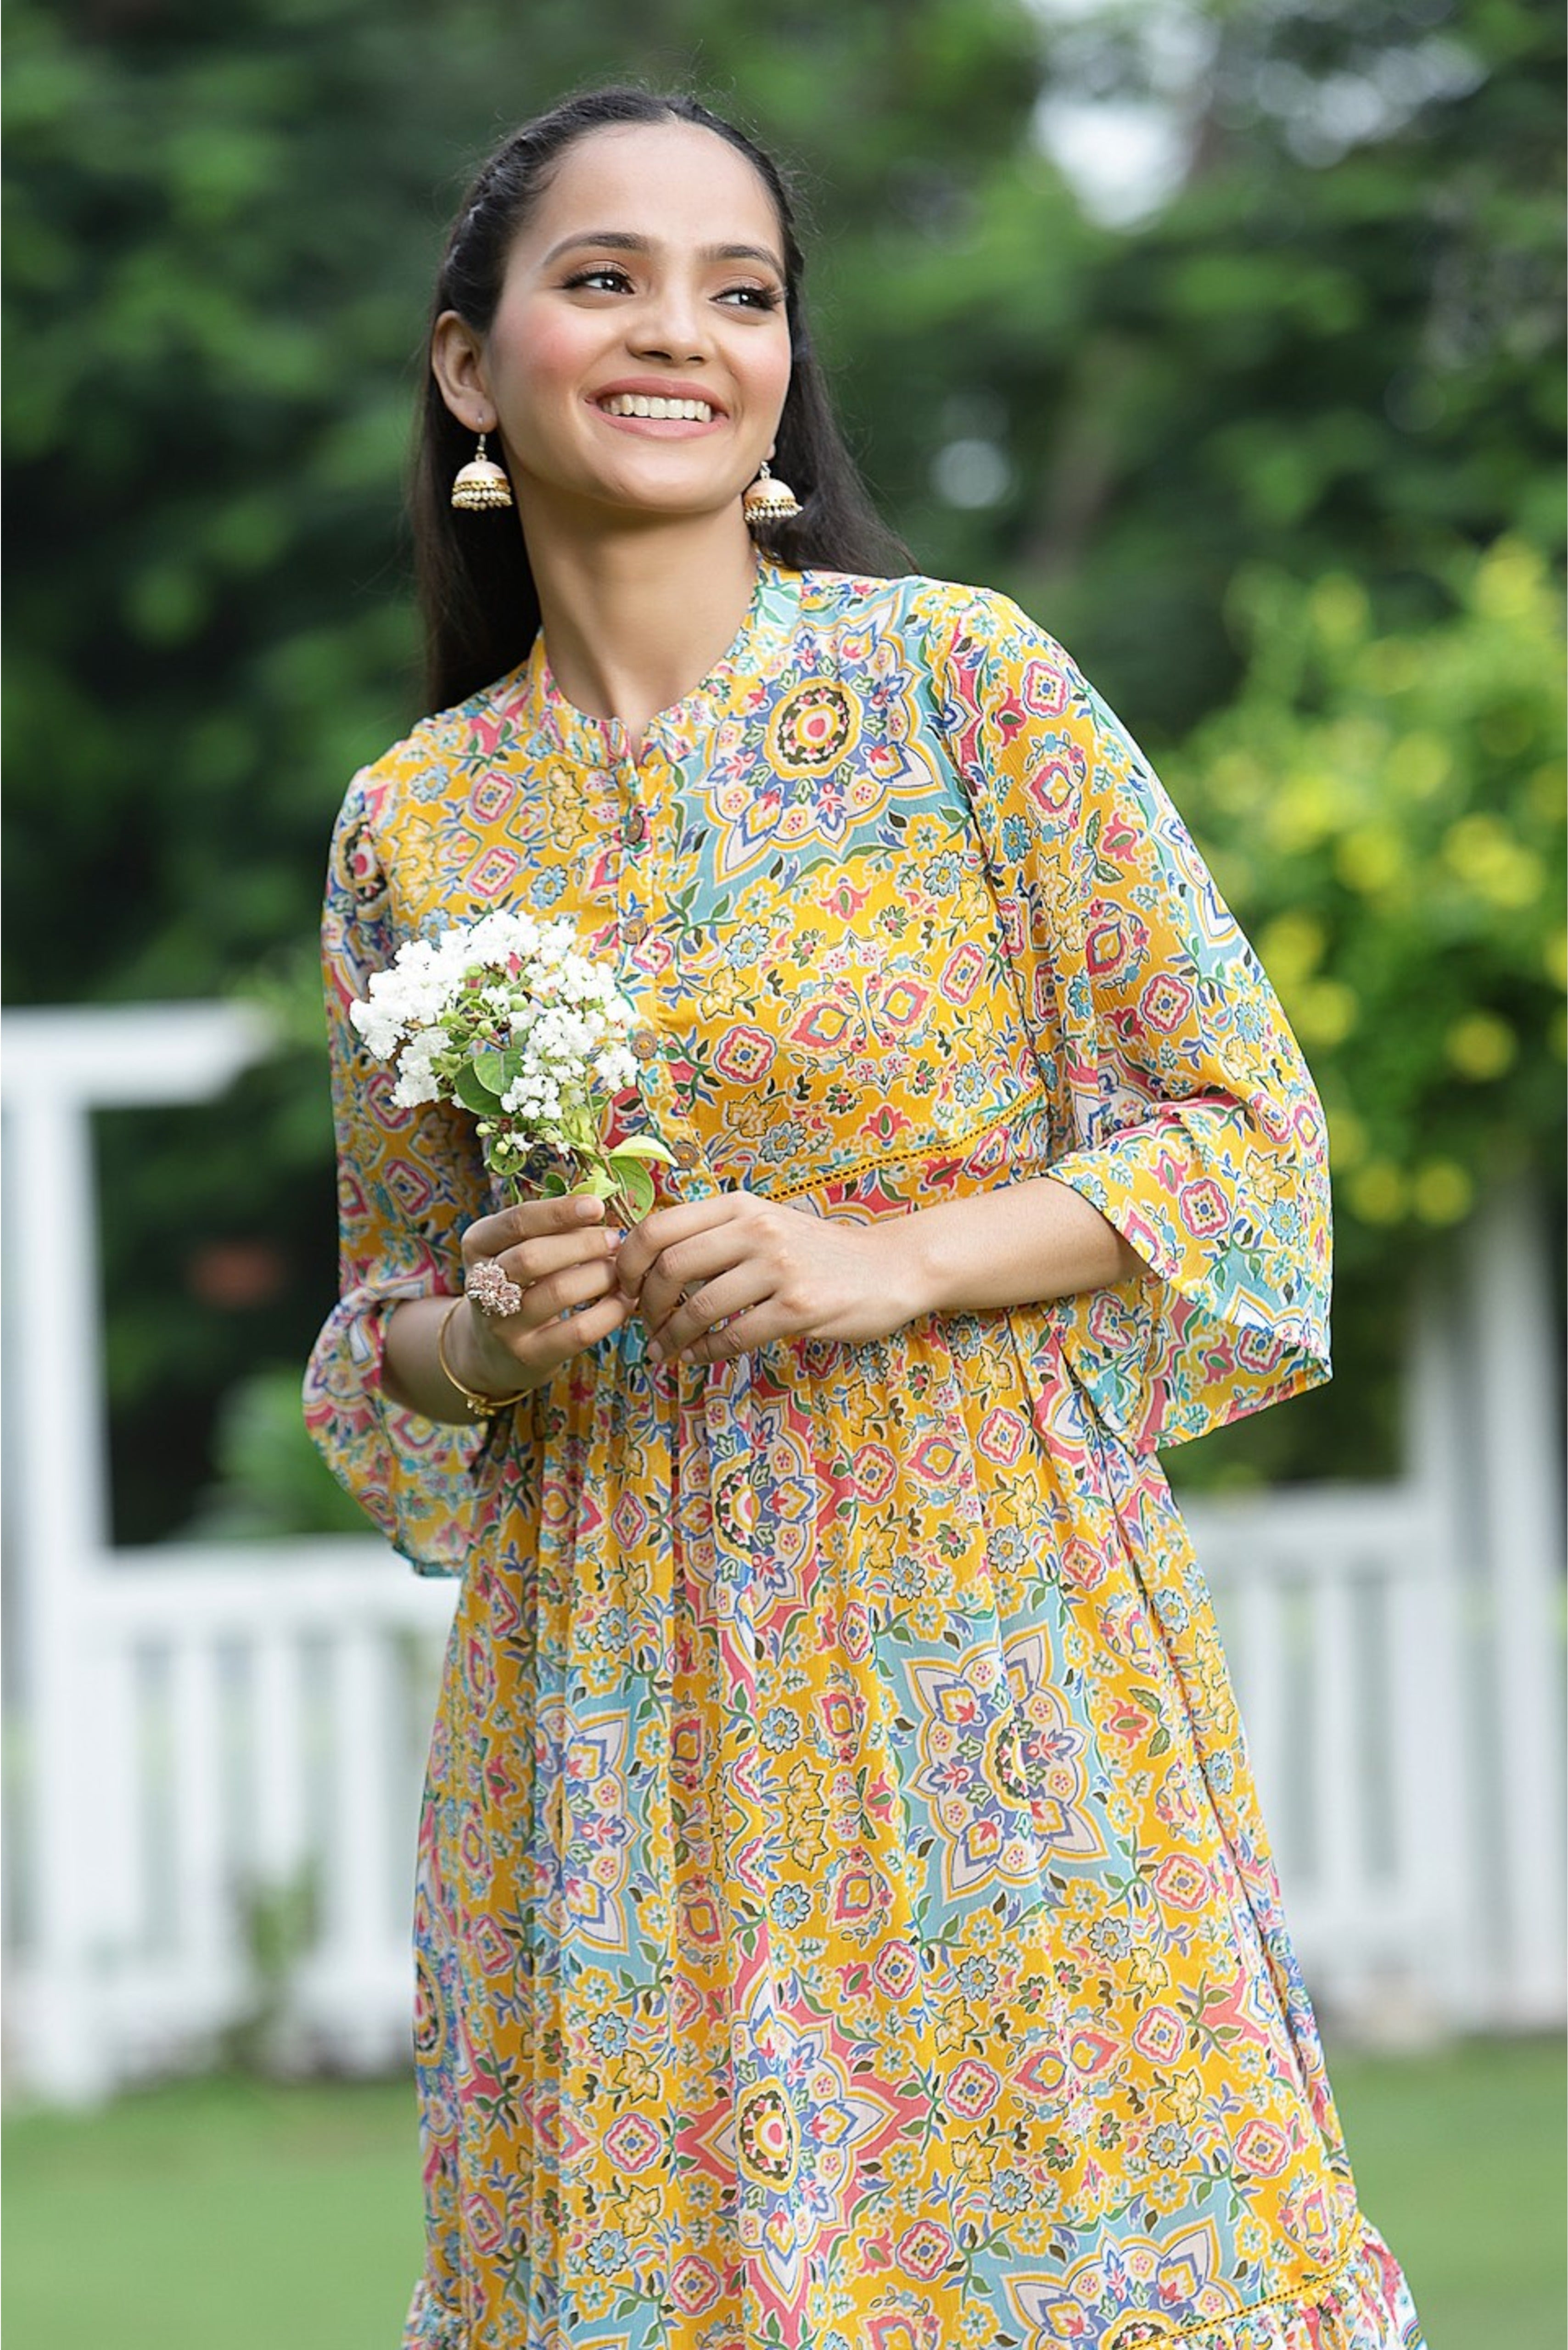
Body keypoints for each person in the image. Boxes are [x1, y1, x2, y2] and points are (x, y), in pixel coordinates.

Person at [304, 84, 1427, 2350]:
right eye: (602, 277)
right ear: (467, 367)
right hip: (611, 1709)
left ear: (785, 367)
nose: (678, 333)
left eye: (740, 292)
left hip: (986, 1660)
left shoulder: (961, 687)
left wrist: (887, 1258)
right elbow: (379, 1329)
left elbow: (1247, 1135)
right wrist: (494, 1338)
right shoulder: (416, 824)